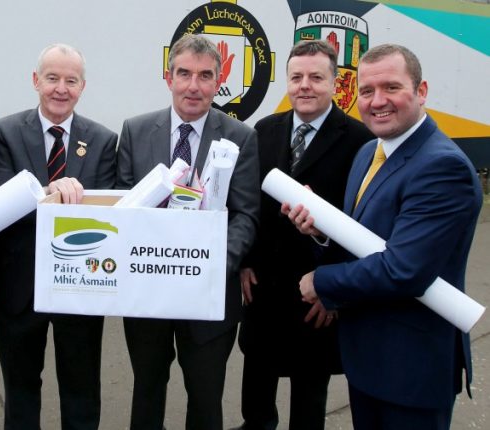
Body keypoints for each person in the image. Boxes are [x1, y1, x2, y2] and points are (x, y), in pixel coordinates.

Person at [284, 44, 482, 430]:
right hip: (368, 360)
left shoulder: (443, 167)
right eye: (366, 91)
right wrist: (322, 231)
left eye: (391, 87)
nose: (377, 102)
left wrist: (320, 282)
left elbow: (403, 269)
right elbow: (363, 240)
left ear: (421, 91)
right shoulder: (369, 153)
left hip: (411, 369)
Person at [116, 33, 259, 430]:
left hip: (209, 296)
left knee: (206, 396)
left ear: (218, 81)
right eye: (184, 74)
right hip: (147, 293)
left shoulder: (240, 138)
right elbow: (123, 211)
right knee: (147, 390)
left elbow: (246, 215)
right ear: (169, 77)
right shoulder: (135, 130)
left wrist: (210, 265)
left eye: (205, 75)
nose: (193, 86)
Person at [0, 43, 117, 430]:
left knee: (82, 389)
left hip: (80, 285)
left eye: (71, 80)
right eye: (52, 78)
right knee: (20, 391)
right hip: (18, 286)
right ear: (36, 81)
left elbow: (103, 219)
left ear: (82, 87)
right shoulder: (4, 131)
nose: (61, 88)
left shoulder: (103, 140)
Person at [234, 40, 374, 430]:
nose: (305, 86)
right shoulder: (264, 130)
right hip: (263, 285)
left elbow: (362, 223)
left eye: (316, 77)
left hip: (317, 291)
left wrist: (336, 289)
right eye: (296, 77)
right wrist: (244, 262)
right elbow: (249, 205)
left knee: (309, 395)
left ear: (335, 83)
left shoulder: (360, 141)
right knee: (256, 386)